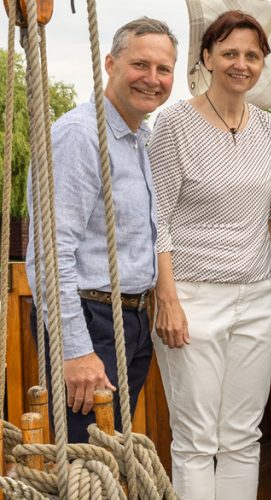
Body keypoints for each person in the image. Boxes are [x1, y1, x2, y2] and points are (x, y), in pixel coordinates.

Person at [148, 11, 271, 500]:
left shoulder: (268, 126)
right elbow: (157, 216)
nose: (241, 64)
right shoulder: (173, 123)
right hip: (192, 294)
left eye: (252, 55)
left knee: (242, 436)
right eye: (229, 53)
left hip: (256, 295)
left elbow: (268, 216)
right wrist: (168, 295)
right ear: (206, 58)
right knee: (195, 439)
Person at [26, 17, 177, 444]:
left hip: (129, 321)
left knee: (109, 458)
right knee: (87, 463)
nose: (152, 79)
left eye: (163, 69)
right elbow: (50, 254)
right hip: (90, 323)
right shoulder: (79, 137)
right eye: (140, 65)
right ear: (110, 64)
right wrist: (76, 350)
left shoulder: (136, 138)